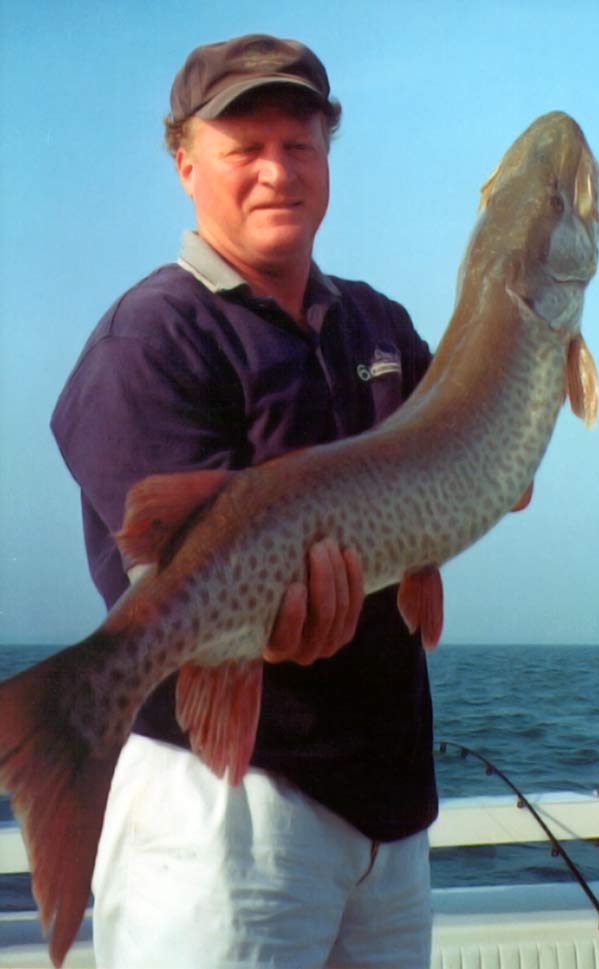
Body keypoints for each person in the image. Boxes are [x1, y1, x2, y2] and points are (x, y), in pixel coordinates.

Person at [51, 34, 438, 969]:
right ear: (186, 163)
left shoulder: (378, 323)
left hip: (389, 816)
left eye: (299, 145)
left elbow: (493, 474)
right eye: (245, 148)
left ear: (328, 157)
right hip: (222, 814)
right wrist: (263, 617)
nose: (277, 171)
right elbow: (176, 576)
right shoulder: (149, 339)